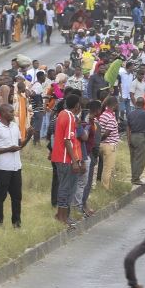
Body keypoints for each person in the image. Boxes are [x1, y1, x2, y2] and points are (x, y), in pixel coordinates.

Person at [0, 103, 33, 228]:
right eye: (11, 112)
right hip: (2, 168)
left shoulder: (14, 126)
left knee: (17, 197)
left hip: (16, 167)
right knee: (0, 196)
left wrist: (28, 137)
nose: (13, 114)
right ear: (2, 113)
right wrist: (8, 149)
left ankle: (16, 223)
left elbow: (18, 146)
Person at [51, 94, 84, 225]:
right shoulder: (70, 117)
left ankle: (62, 215)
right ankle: (62, 216)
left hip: (59, 157)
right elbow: (67, 140)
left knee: (65, 187)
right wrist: (75, 161)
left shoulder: (62, 114)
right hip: (66, 158)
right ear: (76, 105)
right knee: (66, 188)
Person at [127, 97, 145, 184]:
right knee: (140, 159)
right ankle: (136, 178)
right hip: (141, 137)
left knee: (133, 158)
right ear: (143, 105)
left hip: (132, 136)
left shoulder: (130, 114)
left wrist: (128, 139)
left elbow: (127, 127)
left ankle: (134, 177)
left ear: (136, 104)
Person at [98, 96, 121, 189]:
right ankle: (105, 188)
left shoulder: (103, 114)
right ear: (115, 105)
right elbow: (107, 133)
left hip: (103, 144)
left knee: (104, 167)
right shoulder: (111, 117)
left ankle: (104, 185)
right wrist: (101, 139)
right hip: (109, 145)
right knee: (108, 168)